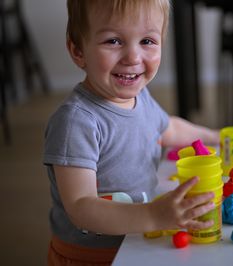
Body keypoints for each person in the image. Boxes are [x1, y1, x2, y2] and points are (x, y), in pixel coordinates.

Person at [43, 0, 220, 264]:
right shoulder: (76, 122)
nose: (133, 58)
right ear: (78, 50)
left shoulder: (142, 97)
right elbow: (80, 206)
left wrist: (215, 136)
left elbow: (168, 127)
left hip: (138, 244)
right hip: (92, 256)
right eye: (114, 41)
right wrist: (153, 216)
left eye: (147, 41)